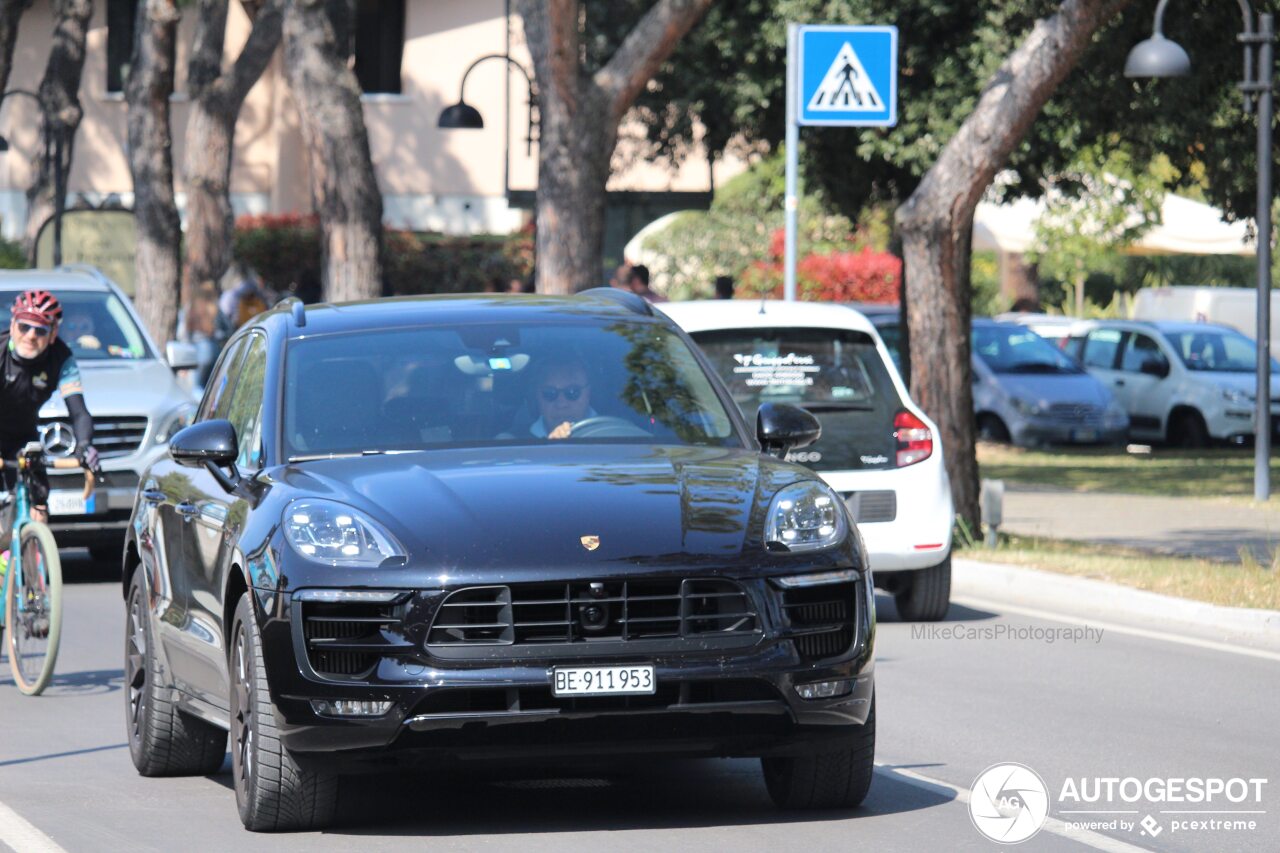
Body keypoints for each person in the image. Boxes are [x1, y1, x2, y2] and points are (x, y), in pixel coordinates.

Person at [0, 291, 99, 525]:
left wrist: (85, 445)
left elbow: (79, 412)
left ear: (53, 333)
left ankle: (35, 556)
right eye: (24, 327)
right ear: (13, 325)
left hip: (23, 435)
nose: (31, 336)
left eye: (41, 330)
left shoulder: (62, 358)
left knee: (39, 501)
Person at [530, 356, 597, 440]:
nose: (561, 404)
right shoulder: (515, 443)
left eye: (572, 392)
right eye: (550, 393)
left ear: (588, 393)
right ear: (537, 396)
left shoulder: (614, 434)